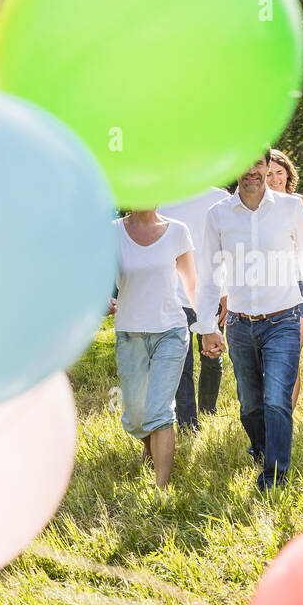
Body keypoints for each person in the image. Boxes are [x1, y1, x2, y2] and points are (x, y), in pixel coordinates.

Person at [194, 153, 303, 491]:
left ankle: (274, 474)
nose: (251, 171)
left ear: (268, 167)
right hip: (240, 324)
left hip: (284, 319)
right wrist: (207, 326)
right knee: (251, 405)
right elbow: (210, 275)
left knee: (276, 400)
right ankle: (261, 448)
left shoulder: (290, 208)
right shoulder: (218, 215)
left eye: (257, 163)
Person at [112, 208, 197, 489]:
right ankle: (149, 447)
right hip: (129, 332)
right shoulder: (111, 232)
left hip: (170, 331)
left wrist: (208, 328)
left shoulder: (177, 231)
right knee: (136, 414)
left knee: (159, 410)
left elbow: (191, 283)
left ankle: (161, 489)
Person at [159, 186, 228, 432]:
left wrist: (226, 292)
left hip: (213, 293)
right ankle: (189, 425)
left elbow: (230, 248)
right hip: (175, 296)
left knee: (211, 355)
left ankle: (208, 408)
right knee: (182, 364)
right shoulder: (165, 199)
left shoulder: (221, 199)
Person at [266, 149, 303, 409]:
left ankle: (283, 415)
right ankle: (270, 409)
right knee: (268, 359)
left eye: (280, 172)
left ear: (289, 174)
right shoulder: (254, 208)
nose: (275, 178)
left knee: (288, 355)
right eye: (269, 174)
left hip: (301, 287)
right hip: (266, 286)